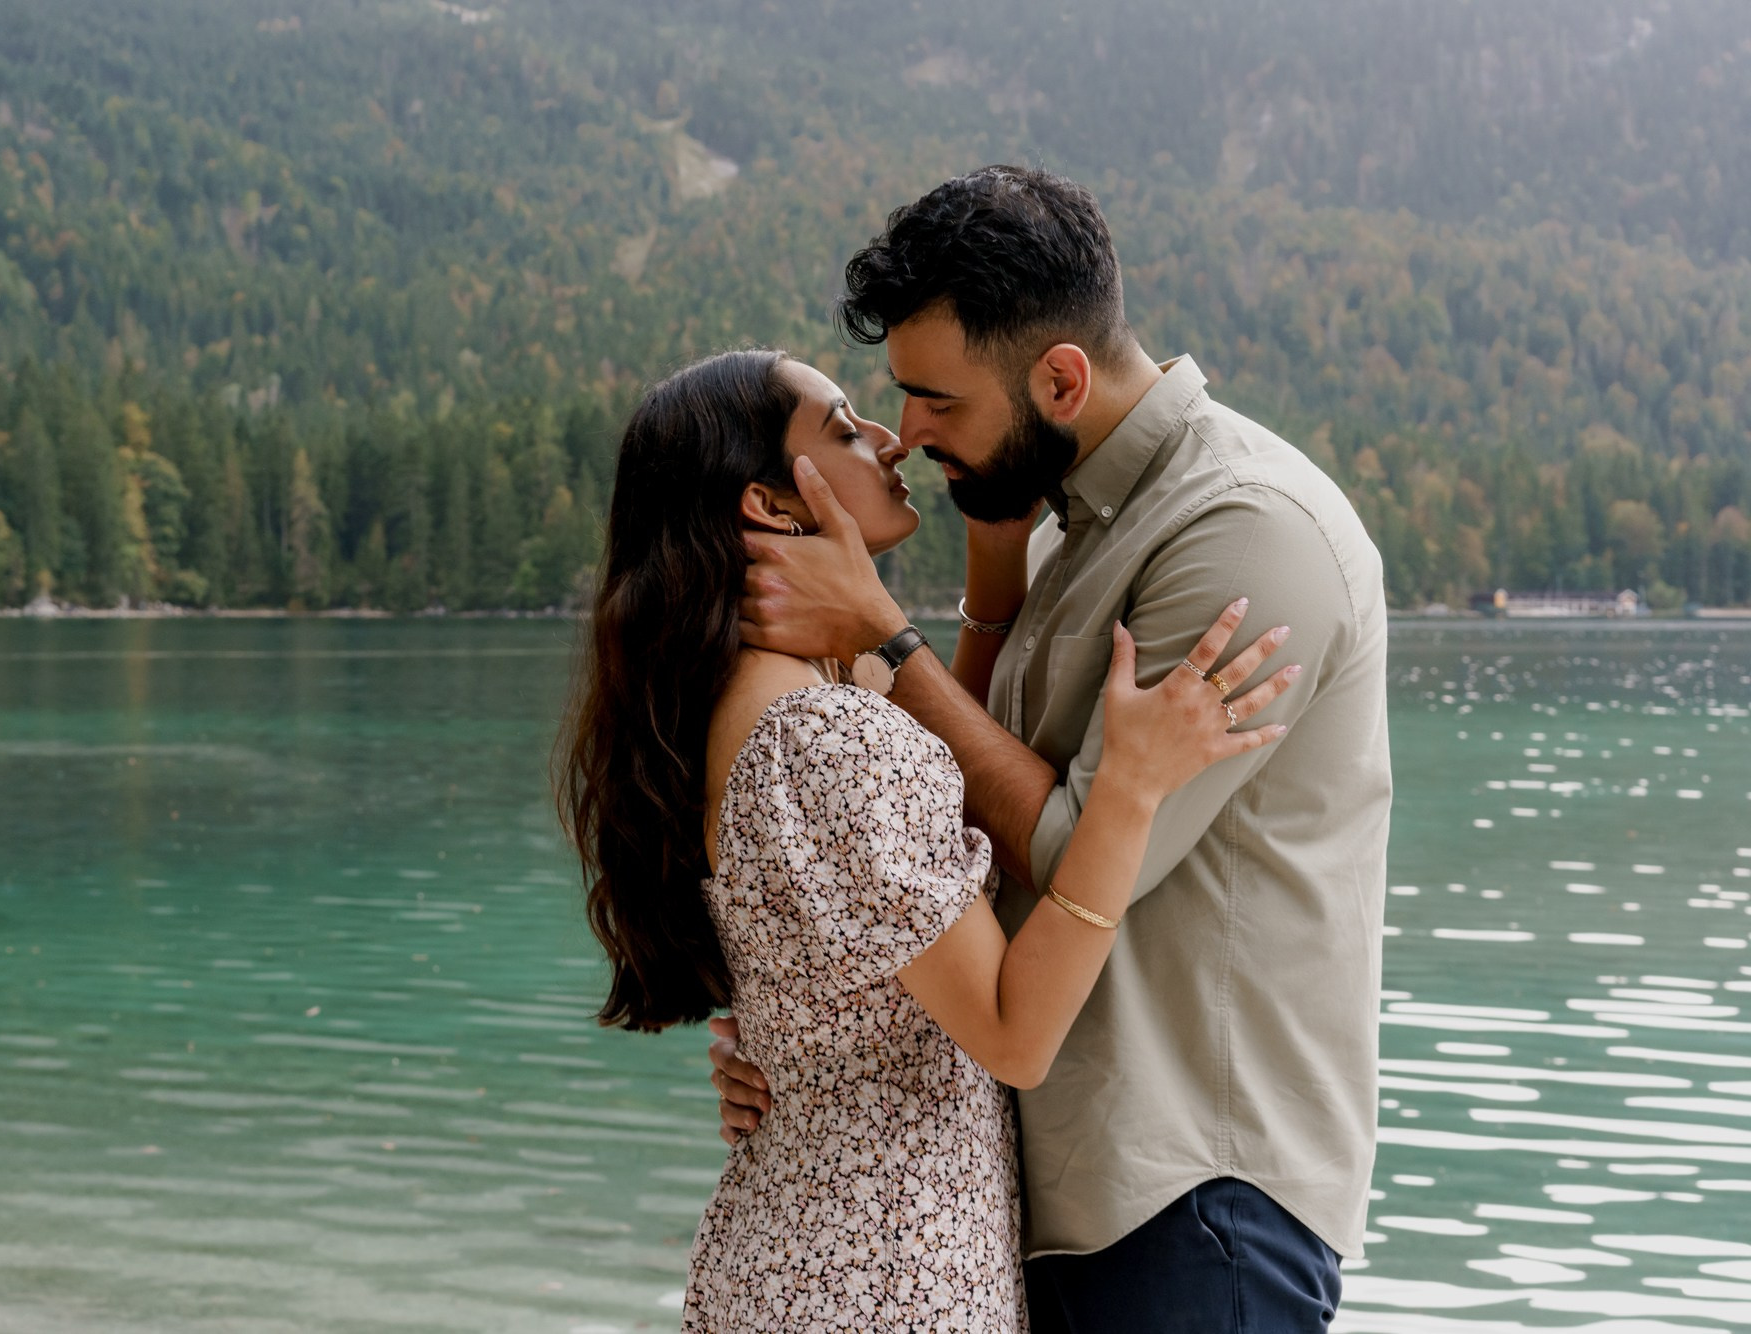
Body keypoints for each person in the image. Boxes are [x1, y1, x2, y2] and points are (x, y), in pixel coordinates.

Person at [713, 166, 1392, 1332]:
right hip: (1038, 1190)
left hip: (1189, 1198)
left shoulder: (1243, 536)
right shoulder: (1067, 524)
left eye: (936, 401)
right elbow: (949, 840)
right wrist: (809, 1041)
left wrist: (884, 630)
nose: (907, 433)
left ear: (1059, 379)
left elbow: (1074, 847)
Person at [558, 347, 1297, 1331]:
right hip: (886, 1277)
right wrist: (1129, 785)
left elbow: (922, 791)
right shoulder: (828, 735)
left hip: (804, 1249)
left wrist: (987, 577)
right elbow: (1013, 1031)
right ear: (770, 506)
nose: (885, 435)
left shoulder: (762, 698)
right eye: (838, 424)